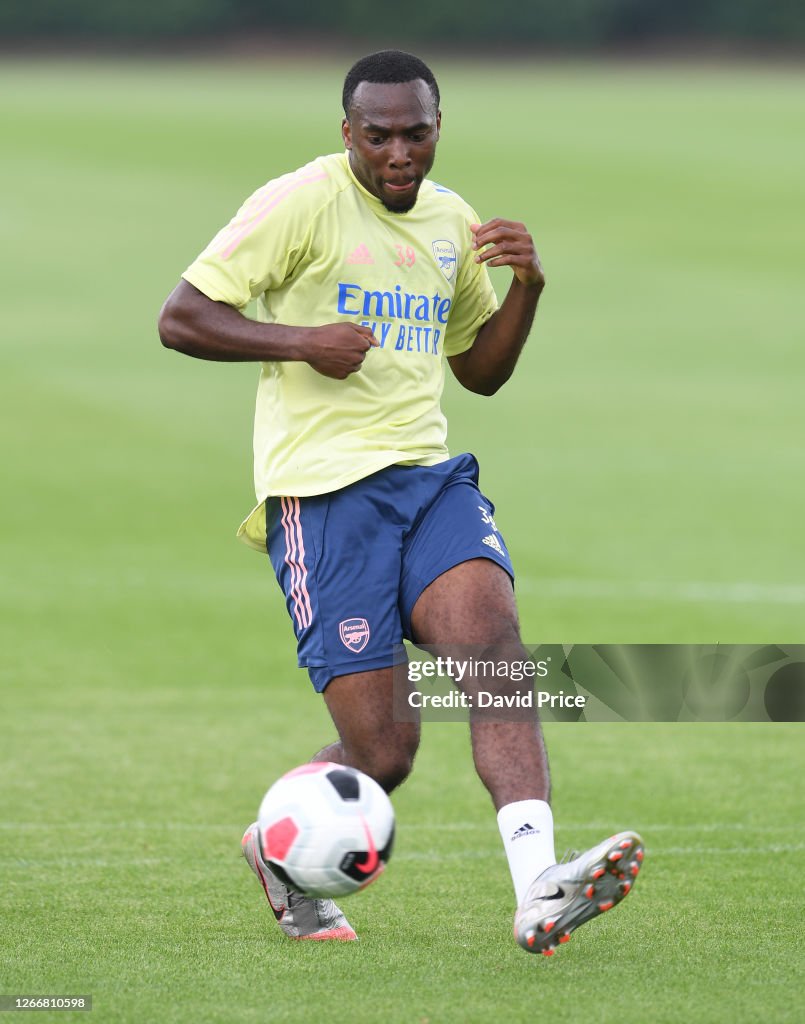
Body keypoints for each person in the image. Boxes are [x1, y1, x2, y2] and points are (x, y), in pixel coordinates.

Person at [158, 49, 643, 956]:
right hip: (324, 499)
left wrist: (528, 289)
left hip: (428, 483)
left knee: (493, 647)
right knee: (384, 755)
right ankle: (278, 846)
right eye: (376, 135)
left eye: (413, 133)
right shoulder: (299, 200)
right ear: (346, 133)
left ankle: (538, 888)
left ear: (437, 127)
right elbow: (180, 316)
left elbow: (480, 372)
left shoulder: (453, 221)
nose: (396, 153)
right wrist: (301, 340)